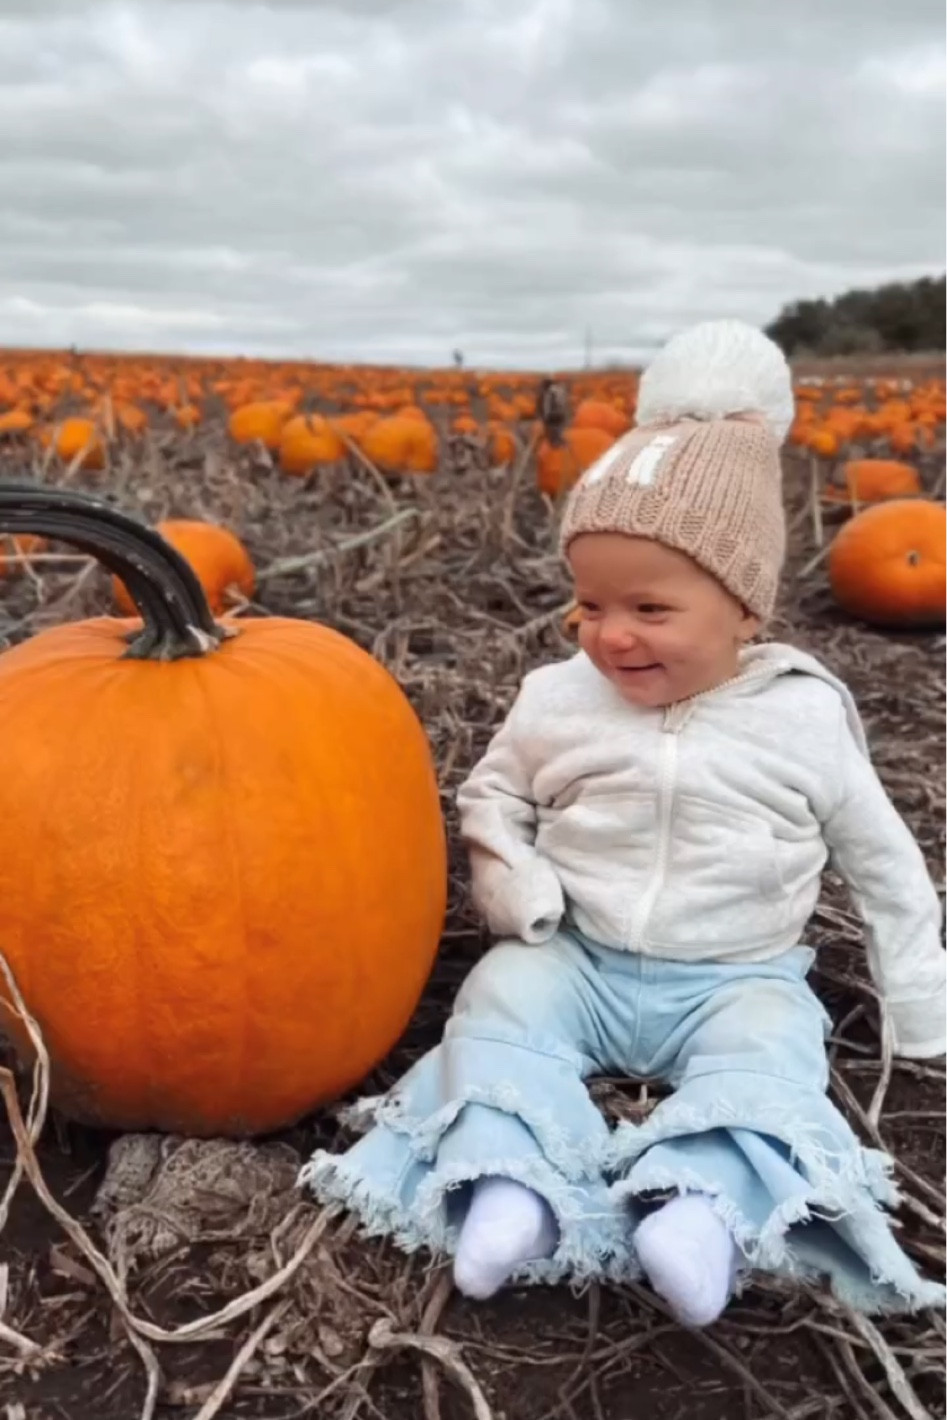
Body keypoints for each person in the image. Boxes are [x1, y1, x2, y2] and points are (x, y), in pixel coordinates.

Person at [300, 320, 946, 1326]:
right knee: (498, 1006)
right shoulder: (558, 699)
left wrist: (918, 1002)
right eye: (587, 603)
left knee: (773, 1054)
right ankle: (508, 1183)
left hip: (737, 972)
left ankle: (694, 1203)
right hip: (582, 955)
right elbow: (491, 798)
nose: (608, 633)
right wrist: (515, 884)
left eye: (648, 607)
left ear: (742, 608)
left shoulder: (801, 717)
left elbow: (883, 864)